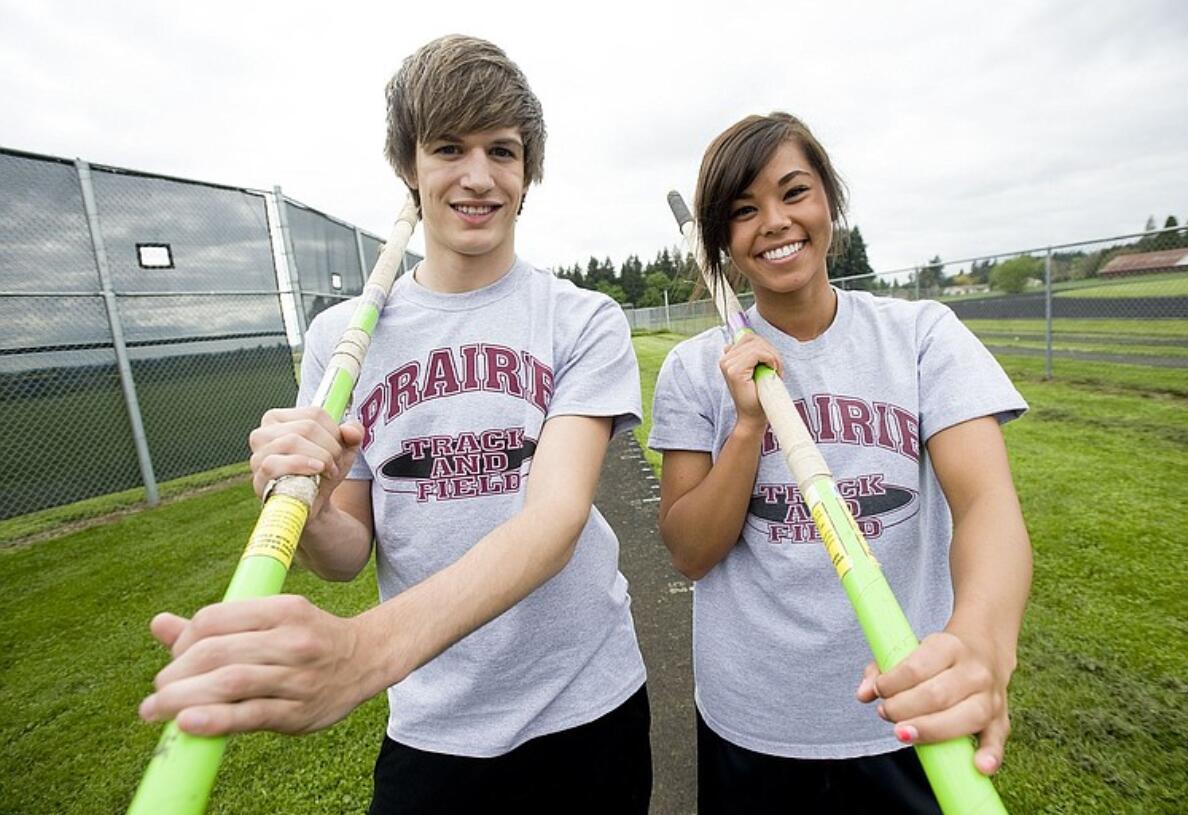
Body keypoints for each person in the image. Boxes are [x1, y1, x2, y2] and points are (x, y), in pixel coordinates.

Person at [138, 35, 651, 814]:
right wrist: (308, 508)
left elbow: (555, 518)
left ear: (527, 173)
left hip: (587, 706)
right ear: (409, 170)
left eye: (502, 151)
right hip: (435, 721)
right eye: (449, 147)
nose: (478, 176)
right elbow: (347, 554)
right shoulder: (337, 336)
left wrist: (362, 651)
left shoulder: (581, 320)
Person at [648, 111, 1031, 813]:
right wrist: (746, 428)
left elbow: (987, 504)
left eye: (794, 192)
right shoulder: (691, 370)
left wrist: (980, 638)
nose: (773, 221)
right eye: (742, 210)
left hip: (909, 716)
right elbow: (690, 552)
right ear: (722, 240)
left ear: (829, 199)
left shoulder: (921, 337)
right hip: (753, 723)